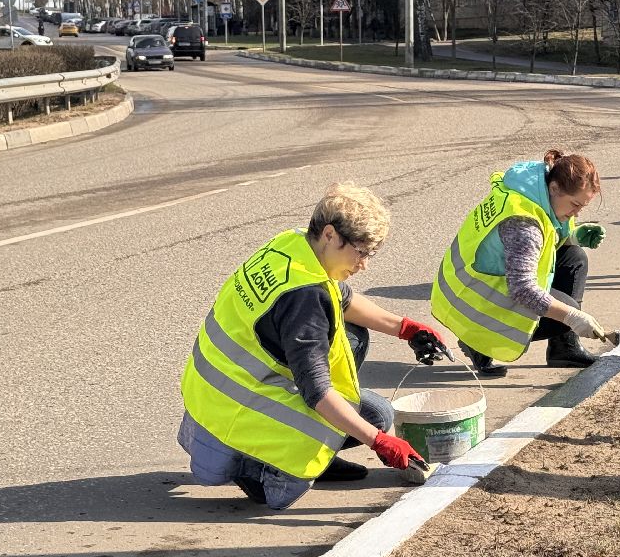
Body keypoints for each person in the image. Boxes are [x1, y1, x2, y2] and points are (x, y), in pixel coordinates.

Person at [179, 183, 445, 509]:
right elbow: (316, 391)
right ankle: (253, 469)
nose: (364, 265)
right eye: (360, 252)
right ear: (331, 235)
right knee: (361, 431)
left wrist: (405, 329)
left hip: (211, 388)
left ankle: (317, 457)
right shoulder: (304, 297)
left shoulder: (293, 245)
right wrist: (379, 443)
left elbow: (343, 300)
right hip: (236, 410)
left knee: (374, 406)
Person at [432, 149, 612, 379]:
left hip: (466, 283)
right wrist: (571, 318)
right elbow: (522, 289)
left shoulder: (529, 191)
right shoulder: (524, 223)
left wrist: (573, 236)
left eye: (582, 208)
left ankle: (563, 349)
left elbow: (538, 242)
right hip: (473, 305)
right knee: (566, 315)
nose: (577, 212)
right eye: (575, 204)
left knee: (574, 257)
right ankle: (477, 341)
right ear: (555, 188)